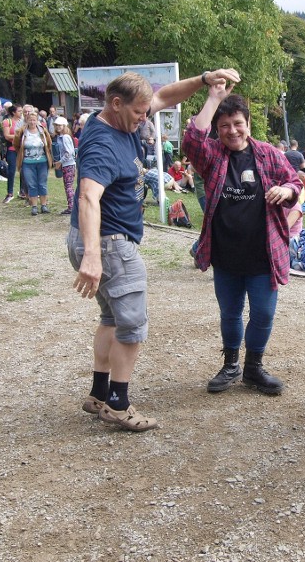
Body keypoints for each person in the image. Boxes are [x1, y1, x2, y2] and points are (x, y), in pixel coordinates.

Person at [68, 67, 240, 432]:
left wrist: (205, 80)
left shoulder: (122, 119)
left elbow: (164, 97)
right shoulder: (102, 143)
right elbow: (87, 196)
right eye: (139, 112)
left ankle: (99, 394)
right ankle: (118, 403)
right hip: (109, 243)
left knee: (111, 319)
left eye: (146, 111)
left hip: (103, 241)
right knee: (131, 325)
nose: (146, 118)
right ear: (116, 104)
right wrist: (93, 255)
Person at [183, 87, 302, 397]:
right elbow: (191, 141)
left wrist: (286, 192)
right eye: (224, 126)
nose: (232, 131)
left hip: (264, 254)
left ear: (248, 124)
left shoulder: (269, 154)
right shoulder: (211, 155)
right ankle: (231, 364)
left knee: (263, 313)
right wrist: (213, 98)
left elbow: (294, 181)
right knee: (230, 313)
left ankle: (253, 368)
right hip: (225, 254)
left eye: (237, 123)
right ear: (217, 129)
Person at [13, 110, 53, 216]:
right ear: (27, 120)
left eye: (34, 120)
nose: (32, 122)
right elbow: (16, 144)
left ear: (37, 120)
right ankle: (34, 206)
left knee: (42, 183)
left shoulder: (43, 131)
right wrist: (22, 153)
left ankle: (44, 205)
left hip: (42, 161)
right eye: (30, 120)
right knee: (32, 184)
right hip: (27, 162)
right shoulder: (22, 131)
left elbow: (48, 143)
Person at [52, 116, 76, 214]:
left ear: (64, 126)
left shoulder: (65, 137)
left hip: (68, 164)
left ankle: (72, 207)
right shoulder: (61, 137)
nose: (58, 127)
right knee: (68, 186)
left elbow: (69, 152)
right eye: (56, 125)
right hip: (67, 164)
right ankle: (72, 206)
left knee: (68, 186)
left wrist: (60, 162)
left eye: (60, 125)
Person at [2, 105, 24, 203]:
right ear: (13, 112)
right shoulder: (7, 122)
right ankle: (10, 192)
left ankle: (22, 191)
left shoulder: (23, 122)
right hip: (11, 148)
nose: (21, 113)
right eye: (19, 111)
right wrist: (18, 136)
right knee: (11, 170)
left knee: (23, 170)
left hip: (21, 149)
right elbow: (6, 136)